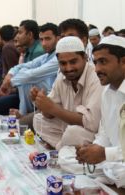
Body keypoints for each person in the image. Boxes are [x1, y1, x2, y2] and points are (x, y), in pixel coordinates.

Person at [33, 36, 103, 150]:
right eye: (63, 63)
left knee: (73, 132)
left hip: (93, 135)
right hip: (68, 129)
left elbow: (92, 124)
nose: (68, 68)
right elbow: (48, 115)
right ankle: (64, 147)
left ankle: (63, 148)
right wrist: (41, 103)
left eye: (73, 62)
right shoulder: (61, 77)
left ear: (84, 58)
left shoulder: (96, 77)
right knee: (38, 119)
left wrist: (52, 108)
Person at [76, 35, 125, 164]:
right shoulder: (106, 93)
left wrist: (104, 154)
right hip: (115, 160)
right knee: (66, 158)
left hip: (116, 160)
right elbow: (104, 133)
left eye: (103, 62)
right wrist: (93, 150)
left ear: (123, 62)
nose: (97, 69)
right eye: (95, 62)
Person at [0, 23, 59, 115]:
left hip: (50, 99)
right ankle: (23, 113)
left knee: (25, 76)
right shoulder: (46, 55)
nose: (43, 43)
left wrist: (9, 83)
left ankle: (24, 114)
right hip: (32, 94)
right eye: (41, 39)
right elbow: (20, 67)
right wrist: (9, 76)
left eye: (48, 39)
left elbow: (33, 75)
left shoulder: (57, 57)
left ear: (58, 39)